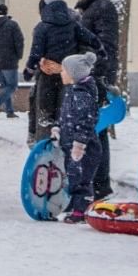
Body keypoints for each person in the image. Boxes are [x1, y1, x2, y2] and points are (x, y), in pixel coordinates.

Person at [23, 0, 100, 147]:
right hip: (52, 77)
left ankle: (52, 147)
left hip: (67, 79)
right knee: (51, 111)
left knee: (58, 114)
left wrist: (62, 66)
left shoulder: (72, 25)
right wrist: (41, 63)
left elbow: (89, 53)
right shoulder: (66, 25)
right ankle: (44, 141)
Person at [72, 0, 119, 201]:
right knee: (88, 130)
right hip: (83, 76)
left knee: (96, 132)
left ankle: (101, 186)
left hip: (95, 78)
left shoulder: (102, 8)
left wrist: (97, 74)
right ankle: (92, 183)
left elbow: (106, 47)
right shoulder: (84, 9)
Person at [56, 52, 101, 224]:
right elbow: (67, 116)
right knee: (73, 175)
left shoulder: (82, 95)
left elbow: (86, 121)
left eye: (64, 71)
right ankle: (75, 205)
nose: (61, 73)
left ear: (74, 74)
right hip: (71, 142)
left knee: (81, 178)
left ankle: (82, 209)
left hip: (84, 147)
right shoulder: (72, 91)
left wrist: (80, 144)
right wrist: (58, 128)